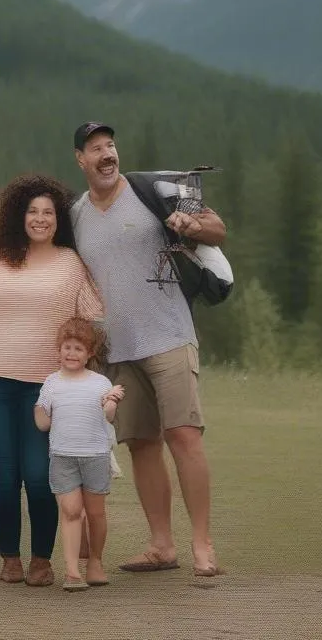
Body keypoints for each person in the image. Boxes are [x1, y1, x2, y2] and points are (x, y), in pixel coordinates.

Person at [71, 121, 226, 579]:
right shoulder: (76, 214)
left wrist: (191, 222)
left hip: (170, 336)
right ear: (80, 159)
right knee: (141, 443)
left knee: (184, 436)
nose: (106, 153)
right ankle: (162, 545)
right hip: (118, 349)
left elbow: (218, 229)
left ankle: (203, 544)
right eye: (96, 148)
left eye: (110, 145)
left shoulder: (154, 190)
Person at [0, 174, 104, 588]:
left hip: (48, 388)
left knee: (39, 476)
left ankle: (42, 558)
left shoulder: (71, 264)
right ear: (19, 217)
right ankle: (10, 558)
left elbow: (90, 319)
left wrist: (89, 374)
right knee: (4, 476)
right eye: (32, 212)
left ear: (59, 220)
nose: (40, 219)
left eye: (48, 213)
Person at [34, 317, 125, 591]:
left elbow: (109, 417)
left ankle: (95, 562)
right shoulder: (51, 382)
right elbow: (42, 421)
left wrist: (111, 401)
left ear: (89, 354)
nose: (71, 353)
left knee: (95, 513)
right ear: (59, 350)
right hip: (62, 456)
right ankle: (73, 571)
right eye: (67, 347)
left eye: (78, 349)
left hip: (95, 456)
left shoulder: (100, 383)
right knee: (71, 510)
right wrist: (39, 410)